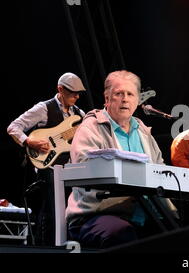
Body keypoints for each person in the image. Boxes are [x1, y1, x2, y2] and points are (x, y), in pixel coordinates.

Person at [66, 70, 177, 249]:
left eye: (130, 94)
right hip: (97, 214)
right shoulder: (91, 127)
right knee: (122, 234)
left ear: (137, 101)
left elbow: (160, 169)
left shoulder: (142, 131)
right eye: (119, 94)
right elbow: (85, 170)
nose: (125, 99)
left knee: (183, 231)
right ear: (107, 98)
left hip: (146, 212)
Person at [7, 72, 86, 246]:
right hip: (48, 167)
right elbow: (14, 127)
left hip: (70, 170)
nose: (77, 96)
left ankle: (68, 244)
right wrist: (29, 141)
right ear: (60, 89)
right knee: (52, 212)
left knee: (71, 212)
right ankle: (47, 247)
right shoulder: (44, 108)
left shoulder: (79, 114)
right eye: (73, 92)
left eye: (78, 93)